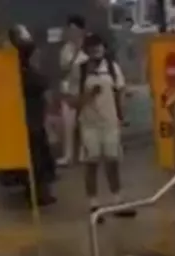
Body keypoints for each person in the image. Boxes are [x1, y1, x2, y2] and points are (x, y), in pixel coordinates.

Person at [75, 33, 136, 218]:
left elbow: (120, 91)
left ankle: (117, 200)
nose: (96, 51)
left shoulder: (112, 67)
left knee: (112, 162)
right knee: (91, 163)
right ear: (87, 50)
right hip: (89, 125)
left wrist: (121, 115)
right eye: (92, 48)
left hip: (110, 123)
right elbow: (72, 101)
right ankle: (94, 204)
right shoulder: (80, 70)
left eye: (99, 47)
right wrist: (89, 95)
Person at [15, 34, 57, 206]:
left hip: (20, 124)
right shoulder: (36, 77)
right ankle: (41, 194)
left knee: (29, 161)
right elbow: (49, 99)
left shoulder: (15, 75)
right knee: (40, 160)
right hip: (36, 124)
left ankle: (29, 191)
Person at [57, 15, 88, 166]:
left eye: (75, 30)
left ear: (82, 30)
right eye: (70, 30)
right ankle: (68, 155)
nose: (72, 33)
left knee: (84, 124)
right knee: (68, 125)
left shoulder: (89, 46)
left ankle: (84, 153)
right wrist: (75, 51)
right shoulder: (66, 49)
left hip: (84, 91)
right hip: (69, 92)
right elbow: (64, 69)